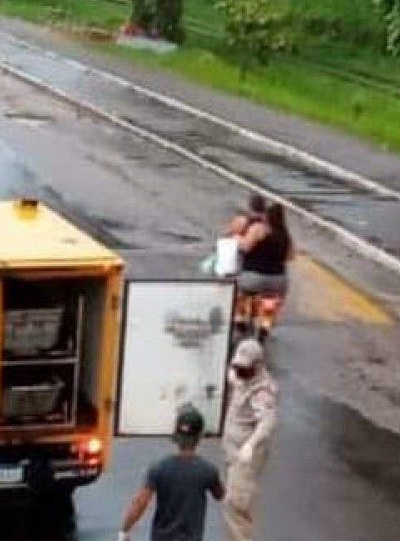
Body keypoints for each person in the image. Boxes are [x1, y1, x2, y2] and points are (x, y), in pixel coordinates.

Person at [118, 406, 224, 541]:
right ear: (200, 436)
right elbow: (220, 495)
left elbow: (140, 502)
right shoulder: (208, 470)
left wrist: (124, 530)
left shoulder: (159, 468)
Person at [222, 339, 278, 541]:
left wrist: (250, 445)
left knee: (236, 504)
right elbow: (232, 375)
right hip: (232, 451)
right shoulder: (240, 377)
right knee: (231, 502)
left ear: (257, 366)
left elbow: (267, 423)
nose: (239, 373)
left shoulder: (262, 391)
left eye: (244, 370)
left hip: (246, 455)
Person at [236, 202, 294, 295]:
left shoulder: (259, 229)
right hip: (279, 281)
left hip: (254, 278)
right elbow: (290, 257)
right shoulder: (285, 234)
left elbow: (245, 247)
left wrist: (237, 237)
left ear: (267, 216)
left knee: (237, 285)